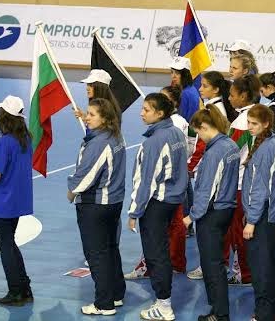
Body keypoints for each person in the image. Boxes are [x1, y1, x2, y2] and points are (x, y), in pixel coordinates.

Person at [128, 93, 188, 321]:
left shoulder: (153, 142)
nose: (141, 113)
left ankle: (164, 305)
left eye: (146, 109)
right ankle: (163, 301)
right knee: (160, 250)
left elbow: (146, 182)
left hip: (157, 203)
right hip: (173, 200)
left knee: (155, 253)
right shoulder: (176, 133)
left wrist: (134, 211)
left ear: (160, 113)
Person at [67, 98, 126, 316]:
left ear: (105, 118)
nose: (86, 117)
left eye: (91, 114)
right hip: (114, 201)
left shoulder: (99, 143)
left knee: (96, 254)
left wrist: (71, 191)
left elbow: (87, 175)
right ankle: (117, 293)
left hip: (96, 205)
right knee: (110, 249)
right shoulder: (115, 136)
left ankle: (104, 303)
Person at [184, 105, 240, 321]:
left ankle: (219, 313)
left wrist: (191, 216)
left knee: (211, 265)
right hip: (226, 208)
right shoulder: (231, 145)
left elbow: (207, 188)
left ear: (205, 127)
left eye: (198, 132)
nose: (199, 137)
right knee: (216, 263)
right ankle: (218, 310)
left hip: (212, 213)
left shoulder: (215, 151)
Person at [0, 96, 34, 307]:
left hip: (3, 202)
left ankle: (15, 292)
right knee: (10, 244)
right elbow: (12, 160)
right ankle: (25, 287)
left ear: (5, 117)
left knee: (6, 247)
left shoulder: (4, 141)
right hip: (18, 202)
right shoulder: (25, 138)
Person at [241, 104, 275, 321]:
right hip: (264, 214)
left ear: (266, 124)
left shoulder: (266, 149)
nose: (249, 127)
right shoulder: (264, 143)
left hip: (261, 216)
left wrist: (251, 220)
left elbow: (260, 188)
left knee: (261, 270)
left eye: (254, 123)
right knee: (269, 266)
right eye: (248, 122)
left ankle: (263, 314)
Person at [225, 74, 260, 286]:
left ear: (243, 95)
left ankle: (243, 273)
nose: (229, 99)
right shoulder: (258, 114)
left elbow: (230, 154)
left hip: (239, 183)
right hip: (252, 182)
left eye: (232, 95)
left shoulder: (241, 122)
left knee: (239, 231)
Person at [170, 56, 201, 122]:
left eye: (177, 73)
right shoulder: (190, 89)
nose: (173, 76)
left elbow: (182, 118)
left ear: (185, 74)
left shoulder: (185, 93)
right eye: (172, 72)